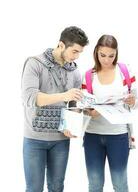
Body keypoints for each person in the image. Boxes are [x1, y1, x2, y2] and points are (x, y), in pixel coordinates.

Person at [21, 26, 89, 192]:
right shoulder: (34, 63)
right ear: (61, 45)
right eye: (74, 51)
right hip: (35, 138)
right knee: (34, 189)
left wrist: (72, 124)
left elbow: (73, 105)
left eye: (80, 52)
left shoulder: (75, 72)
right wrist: (64, 95)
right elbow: (30, 98)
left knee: (57, 187)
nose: (77, 56)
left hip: (60, 140)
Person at [82, 35, 138, 192]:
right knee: (94, 185)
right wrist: (91, 112)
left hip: (118, 136)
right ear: (96, 52)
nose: (106, 60)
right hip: (92, 135)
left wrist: (132, 102)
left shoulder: (125, 71)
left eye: (111, 55)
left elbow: (137, 103)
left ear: (116, 53)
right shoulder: (88, 76)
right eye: (102, 55)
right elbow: (84, 108)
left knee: (120, 184)